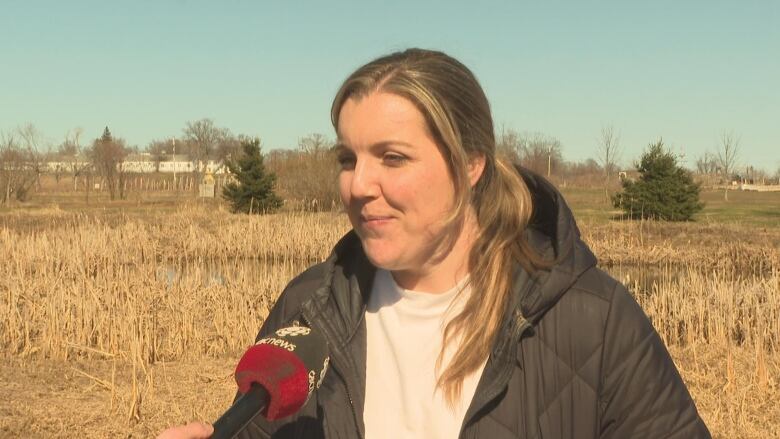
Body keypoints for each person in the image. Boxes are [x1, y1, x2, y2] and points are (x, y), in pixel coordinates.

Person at [158, 48, 711, 439]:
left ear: (470, 164)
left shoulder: (590, 317)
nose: (358, 185)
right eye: (348, 159)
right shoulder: (310, 305)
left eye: (392, 157)